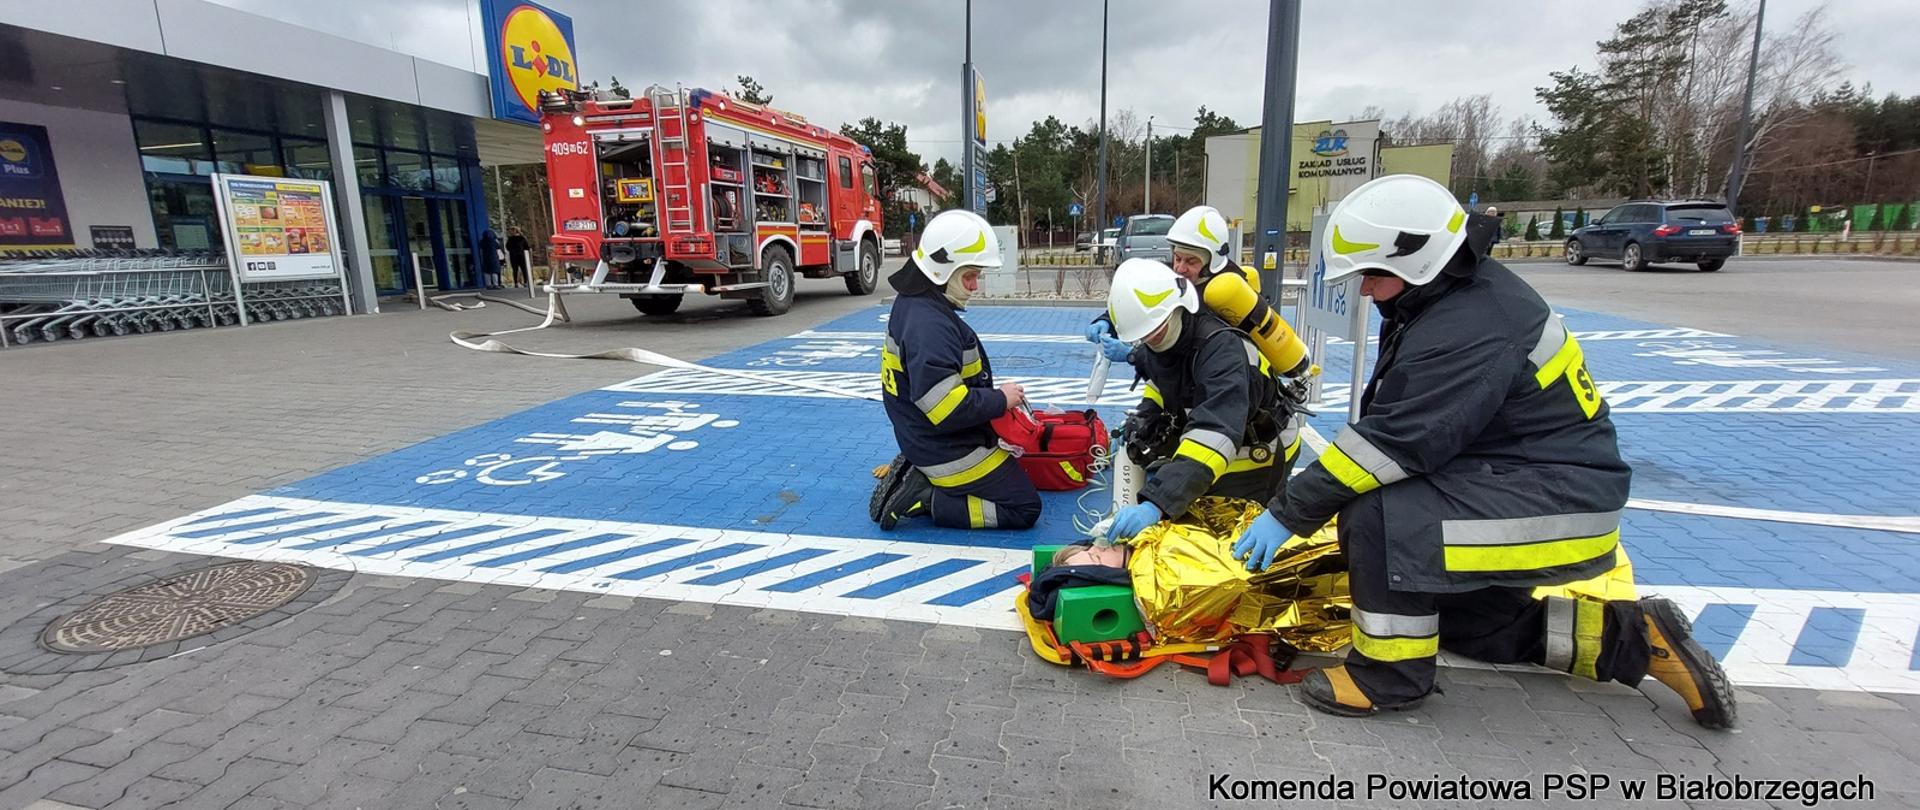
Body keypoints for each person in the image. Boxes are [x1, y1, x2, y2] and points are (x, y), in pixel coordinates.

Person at [1231, 174, 1735, 728]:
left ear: (1418, 262)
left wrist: (1288, 512)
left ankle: (1387, 677)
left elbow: (1393, 442)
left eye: (1372, 274)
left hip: (1560, 502)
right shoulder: (1450, 298)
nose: (1365, 290)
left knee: (1381, 516)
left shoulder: (1470, 326)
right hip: (1526, 485)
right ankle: (1638, 641)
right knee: (1466, 624)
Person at [870, 210, 1042, 531]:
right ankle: (928, 497)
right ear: (942, 271)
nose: (975, 286)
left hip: (926, 437)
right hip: (946, 448)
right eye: (969, 276)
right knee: (1024, 507)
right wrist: (1000, 400)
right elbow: (945, 408)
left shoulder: (915, 304)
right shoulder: (929, 324)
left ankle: (920, 471)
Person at [1102, 258, 1295, 543]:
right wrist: (1145, 416)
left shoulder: (1222, 350)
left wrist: (1157, 503)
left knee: (1226, 541)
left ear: (1176, 308)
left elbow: (1215, 432)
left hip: (1256, 452)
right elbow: (1161, 381)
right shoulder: (1163, 337)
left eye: (1154, 332)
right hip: (1223, 444)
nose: (1150, 340)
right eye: (1142, 337)